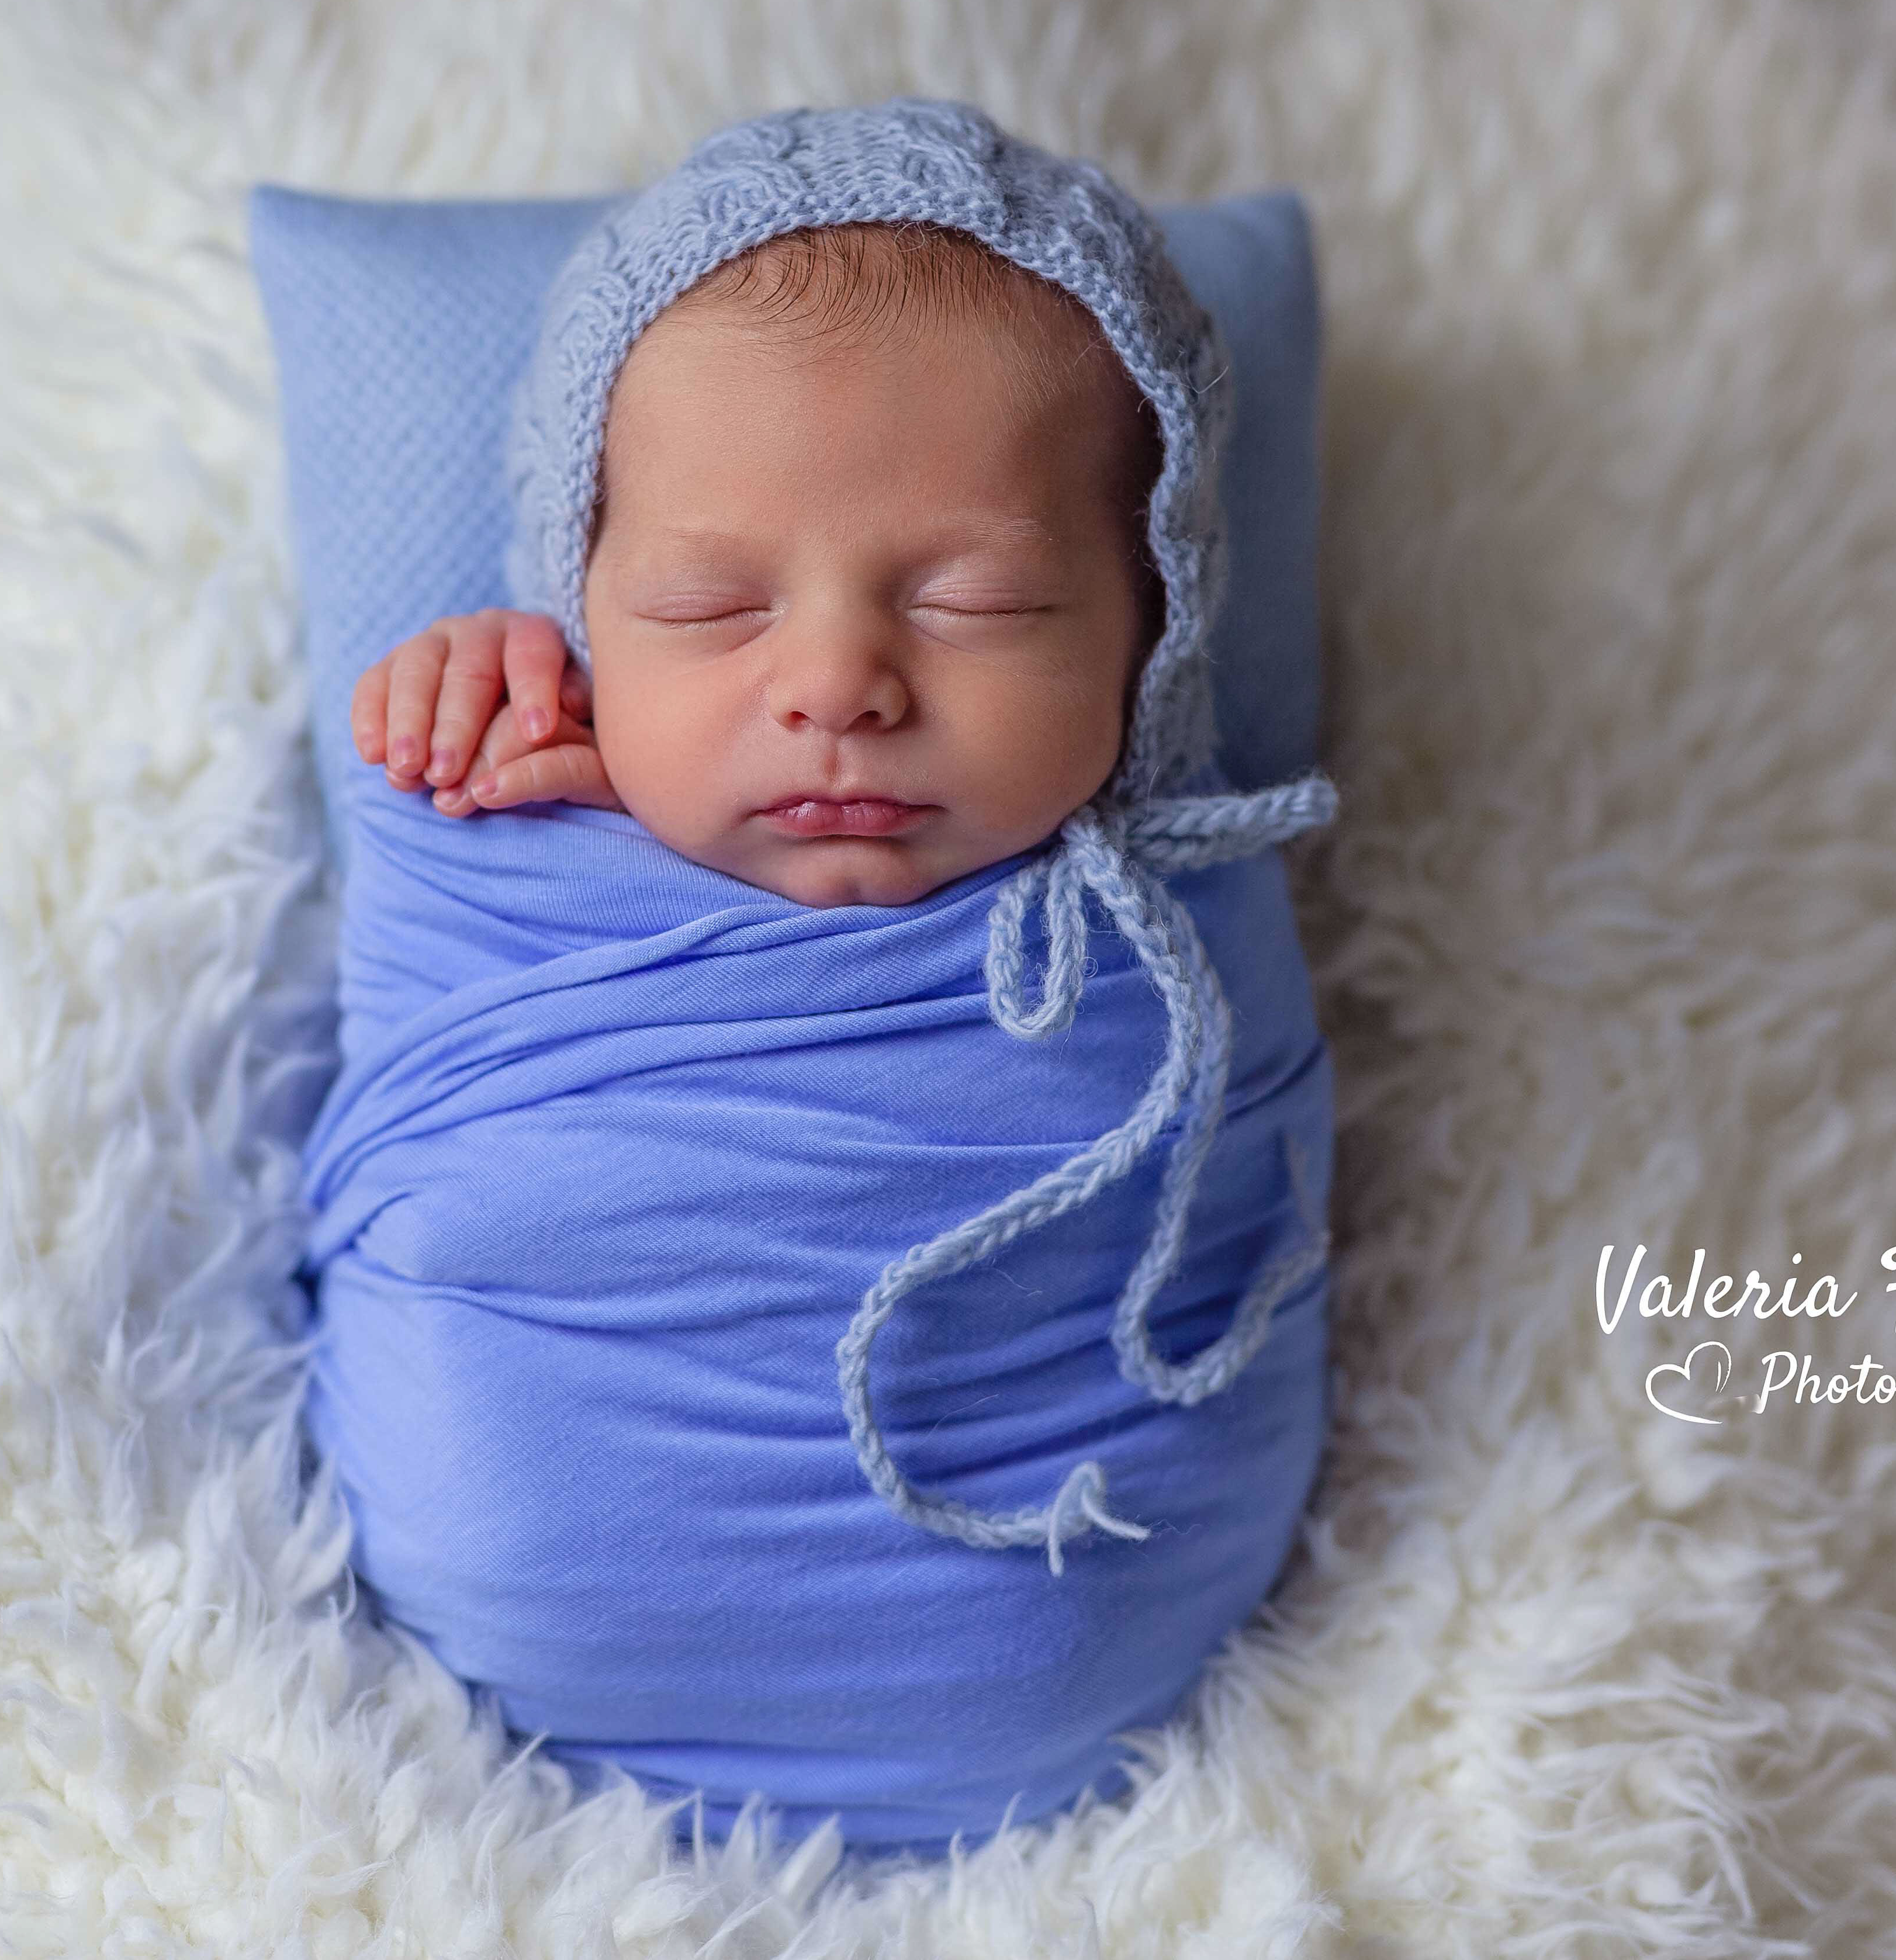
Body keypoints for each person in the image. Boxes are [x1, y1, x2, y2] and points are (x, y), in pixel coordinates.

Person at [299, 98, 1338, 1853]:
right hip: (485, 1707)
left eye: (981, 603)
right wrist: (480, 720)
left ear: (1151, 627)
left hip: (1096, 1668)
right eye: (708, 609)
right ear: (578, 606)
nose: (836, 684)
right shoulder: (518, 824)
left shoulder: (1168, 902)